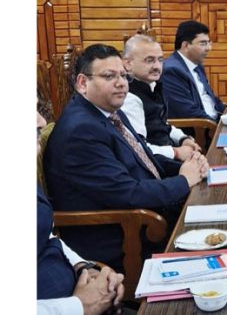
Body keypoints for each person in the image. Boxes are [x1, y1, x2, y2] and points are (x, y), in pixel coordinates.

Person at [43, 44, 209, 272]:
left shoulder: (108, 112)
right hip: (124, 239)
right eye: (109, 76)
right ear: (83, 83)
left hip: (146, 216)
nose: (121, 83)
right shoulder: (80, 131)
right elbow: (128, 194)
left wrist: (189, 166)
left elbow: (143, 159)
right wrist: (183, 181)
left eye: (123, 75)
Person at [37, 111, 126, 315]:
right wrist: (79, 306)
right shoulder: (78, 129)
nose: (41, 121)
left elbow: (46, 234)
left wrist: (86, 269)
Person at [121, 34, 202, 173]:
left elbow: (161, 123)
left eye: (160, 60)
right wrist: (176, 152)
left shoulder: (153, 85)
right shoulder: (129, 98)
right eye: (149, 60)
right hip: (154, 166)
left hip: (167, 155)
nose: (157, 66)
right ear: (127, 63)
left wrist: (183, 139)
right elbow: (138, 148)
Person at [161, 20, 225, 120]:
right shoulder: (171, 70)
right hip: (200, 130)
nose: (209, 48)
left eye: (209, 43)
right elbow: (186, 111)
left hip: (215, 120)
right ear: (186, 45)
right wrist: (216, 125)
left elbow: (210, 98)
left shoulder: (197, 65)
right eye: (203, 43)